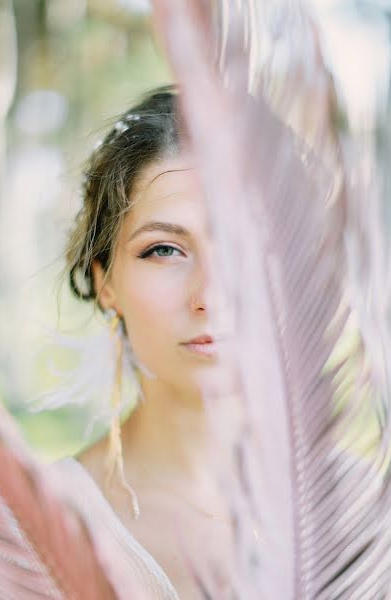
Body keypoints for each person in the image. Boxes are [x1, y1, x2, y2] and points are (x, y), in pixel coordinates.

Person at [57, 85, 240, 599]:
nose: (212, 296)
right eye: (164, 249)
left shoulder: (381, 516)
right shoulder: (34, 533)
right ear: (105, 281)